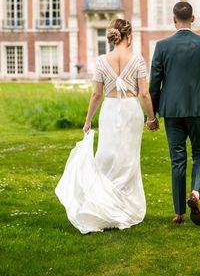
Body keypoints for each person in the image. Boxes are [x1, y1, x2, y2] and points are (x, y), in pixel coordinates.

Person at [55, 18, 158, 234]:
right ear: (128, 36)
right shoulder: (137, 59)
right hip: (130, 110)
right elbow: (144, 93)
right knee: (128, 159)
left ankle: (103, 204)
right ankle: (123, 207)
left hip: (110, 110)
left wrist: (88, 119)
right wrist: (151, 117)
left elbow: (96, 94)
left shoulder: (102, 61)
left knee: (107, 155)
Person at [150, 1, 200, 225]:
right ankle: (196, 194)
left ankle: (179, 212)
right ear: (193, 18)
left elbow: (155, 83)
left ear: (173, 19)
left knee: (177, 159)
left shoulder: (162, 46)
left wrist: (151, 114)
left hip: (172, 110)